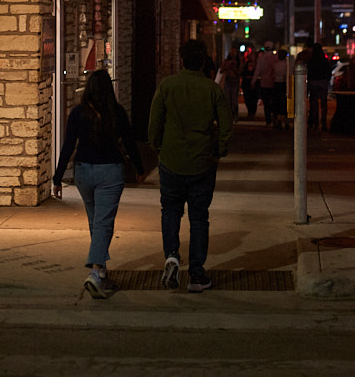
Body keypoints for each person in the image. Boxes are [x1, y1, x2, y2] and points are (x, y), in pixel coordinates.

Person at [148, 39, 233, 293]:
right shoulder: (212, 90)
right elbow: (226, 126)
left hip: (172, 161)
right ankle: (196, 274)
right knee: (199, 218)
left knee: (170, 211)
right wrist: (220, 150)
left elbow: (154, 124)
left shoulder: (167, 86)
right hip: (202, 163)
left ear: (181, 60)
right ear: (204, 62)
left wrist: (158, 148)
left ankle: (172, 255)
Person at [53, 69, 145, 300]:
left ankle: (101, 269)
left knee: (96, 222)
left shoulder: (77, 113)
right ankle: (95, 272)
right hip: (110, 172)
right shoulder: (116, 112)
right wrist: (139, 168)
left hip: (84, 172)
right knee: (103, 223)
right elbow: (130, 142)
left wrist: (58, 177)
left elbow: (68, 146)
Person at [307, 43, 332, 131]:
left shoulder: (311, 60)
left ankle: (316, 122)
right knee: (323, 103)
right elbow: (329, 71)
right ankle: (323, 122)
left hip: (313, 82)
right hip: (322, 81)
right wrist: (327, 79)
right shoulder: (324, 60)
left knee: (314, 103)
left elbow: (308, 72)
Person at [252, 41, 277, 126]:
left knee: (266, 103)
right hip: (274, 83)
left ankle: (268, 120)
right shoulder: (275, 57)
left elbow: (257, 71)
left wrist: (253, 81)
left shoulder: (261, 58)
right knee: (273, 101)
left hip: (264, 83)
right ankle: (275, 117)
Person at [218, 47, 240, 122]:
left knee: (234, 99)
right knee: (227, 99)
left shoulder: (238, 62)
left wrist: (234, 68)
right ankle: (229, 115)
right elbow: (221, 70)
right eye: (232, 52)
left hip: (235, 81)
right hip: (228, 81)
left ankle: (235, 114)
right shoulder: (226, 61)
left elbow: (240, 73)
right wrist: (226, 66)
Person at [272, 48, 290, 129]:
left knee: (277, 103)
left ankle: (278, 120)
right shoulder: (287, 65)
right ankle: (285, 121)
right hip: (283, 84)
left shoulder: (275, 65)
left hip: (276, 84)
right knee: (283, 103)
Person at [239, 48, 259, 119]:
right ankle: (249, 111)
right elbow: (242, 72)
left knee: (254, 100)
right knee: (247, 99)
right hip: (246, 85)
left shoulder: (257, 66)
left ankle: (252, 113)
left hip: (254, 85)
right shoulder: (245, 65)